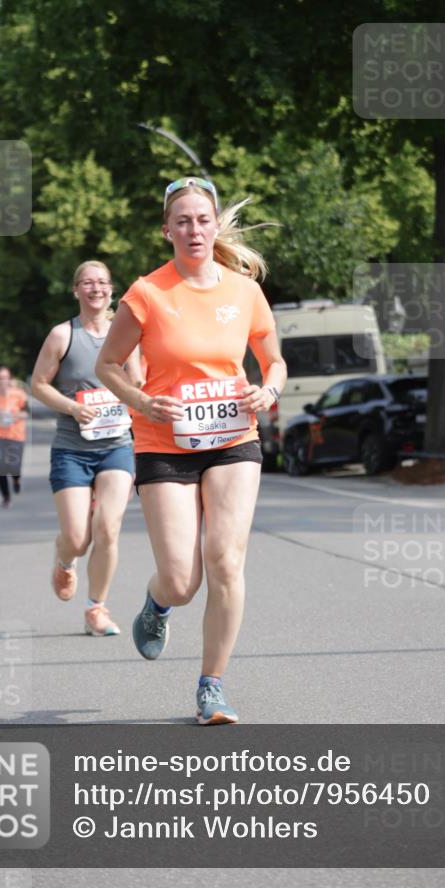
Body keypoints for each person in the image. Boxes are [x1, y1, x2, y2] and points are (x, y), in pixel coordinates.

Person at [97, 176, 286, 724]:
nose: (194, 229)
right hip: (164, 442)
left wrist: (268, 389)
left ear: (216, 225)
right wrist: (142, 401)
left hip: (233, 438)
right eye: (183, 221)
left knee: (226, 561)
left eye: (203, 219)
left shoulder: (244, 291)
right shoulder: (146, 293)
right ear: (167, 230)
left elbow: (273, 361)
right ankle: (157, 605)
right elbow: (107, 365)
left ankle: (212, 686)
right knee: (182, 579)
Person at [31, 260, 142, 637]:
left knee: (108, 527)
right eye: (87, 283)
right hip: (71, 448)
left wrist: (137, 397)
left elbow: (137, 382)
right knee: (79, 537)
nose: (96, 288)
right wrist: (72, 407)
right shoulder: (62, 335)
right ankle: (65, 560)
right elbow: (39, 385)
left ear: (112, 289)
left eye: (102, 282)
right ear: (76, 290)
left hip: (117, 445)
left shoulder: (126, 335)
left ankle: (97, 608)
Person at [0, 367, 28, 507]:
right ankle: (6, 497)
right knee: (1, 466)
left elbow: (26, 413)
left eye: (5, 378)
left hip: (16, 435)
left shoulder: (19, 394)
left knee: (15, 466)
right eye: (0, 378)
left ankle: (16, 479)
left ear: (10, 379)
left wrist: (16, 415)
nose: (3, 381)